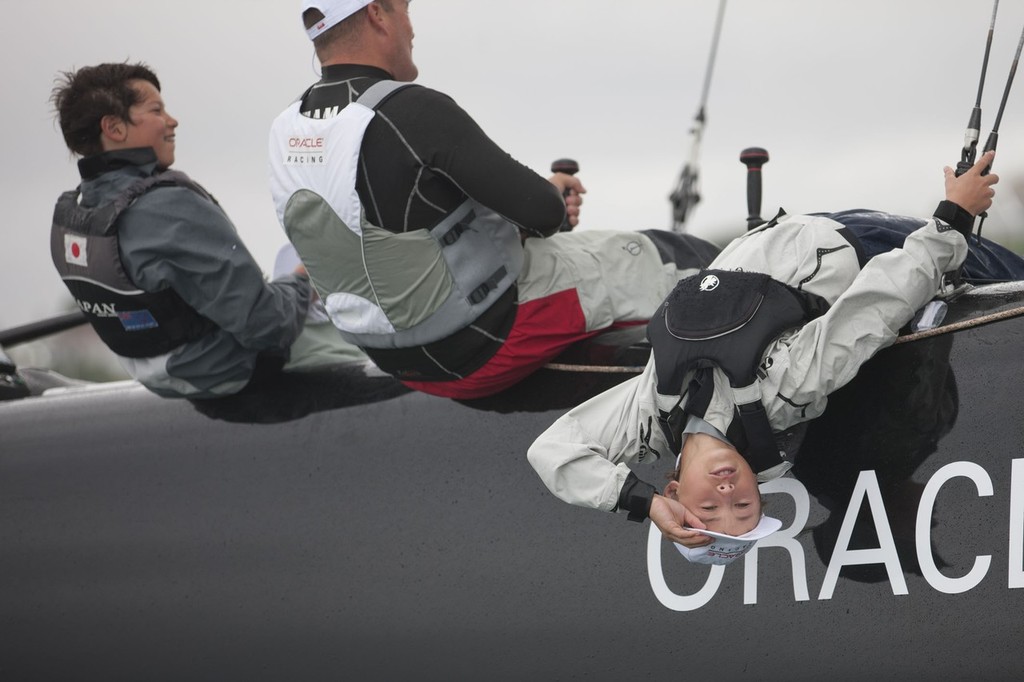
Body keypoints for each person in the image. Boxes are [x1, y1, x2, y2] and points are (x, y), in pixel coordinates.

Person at [527, 150, 1024, 564]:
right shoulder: (782, 395)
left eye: (708, 506)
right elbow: (873, 308)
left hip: (774, 235)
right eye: (743, 504)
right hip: (864, 242)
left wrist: (641, 503)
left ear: (675, 493)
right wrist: (952, 219)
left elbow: (552, 452)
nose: (726, 494)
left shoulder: (650, 415)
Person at [268, 0, 719, 400]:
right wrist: (550, 198)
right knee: (682, 259)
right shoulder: (412, 111)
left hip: (397, 361)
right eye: (406, 8)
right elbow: (544, 213)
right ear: (376, 15)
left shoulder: (285, 131)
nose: (411, 26)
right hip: (484, 345)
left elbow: (389, 234)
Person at [50, 62, 362, 399]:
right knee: (372, 349)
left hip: (158, 376)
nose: (172, 120)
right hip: (227, 369)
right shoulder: (167, 209)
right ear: (114, 128)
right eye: (156, 110)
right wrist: (304, 278)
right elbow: (269, 326)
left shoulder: (76, 215)